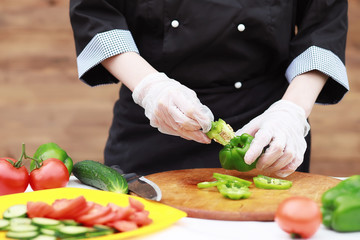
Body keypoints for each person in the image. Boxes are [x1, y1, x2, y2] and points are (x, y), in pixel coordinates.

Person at [69, 0, 349, 177]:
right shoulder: (152, 96)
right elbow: (95, 13)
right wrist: (150, 87)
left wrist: (291, 112)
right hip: (152, 127)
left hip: (266, 131)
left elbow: (323, 26)